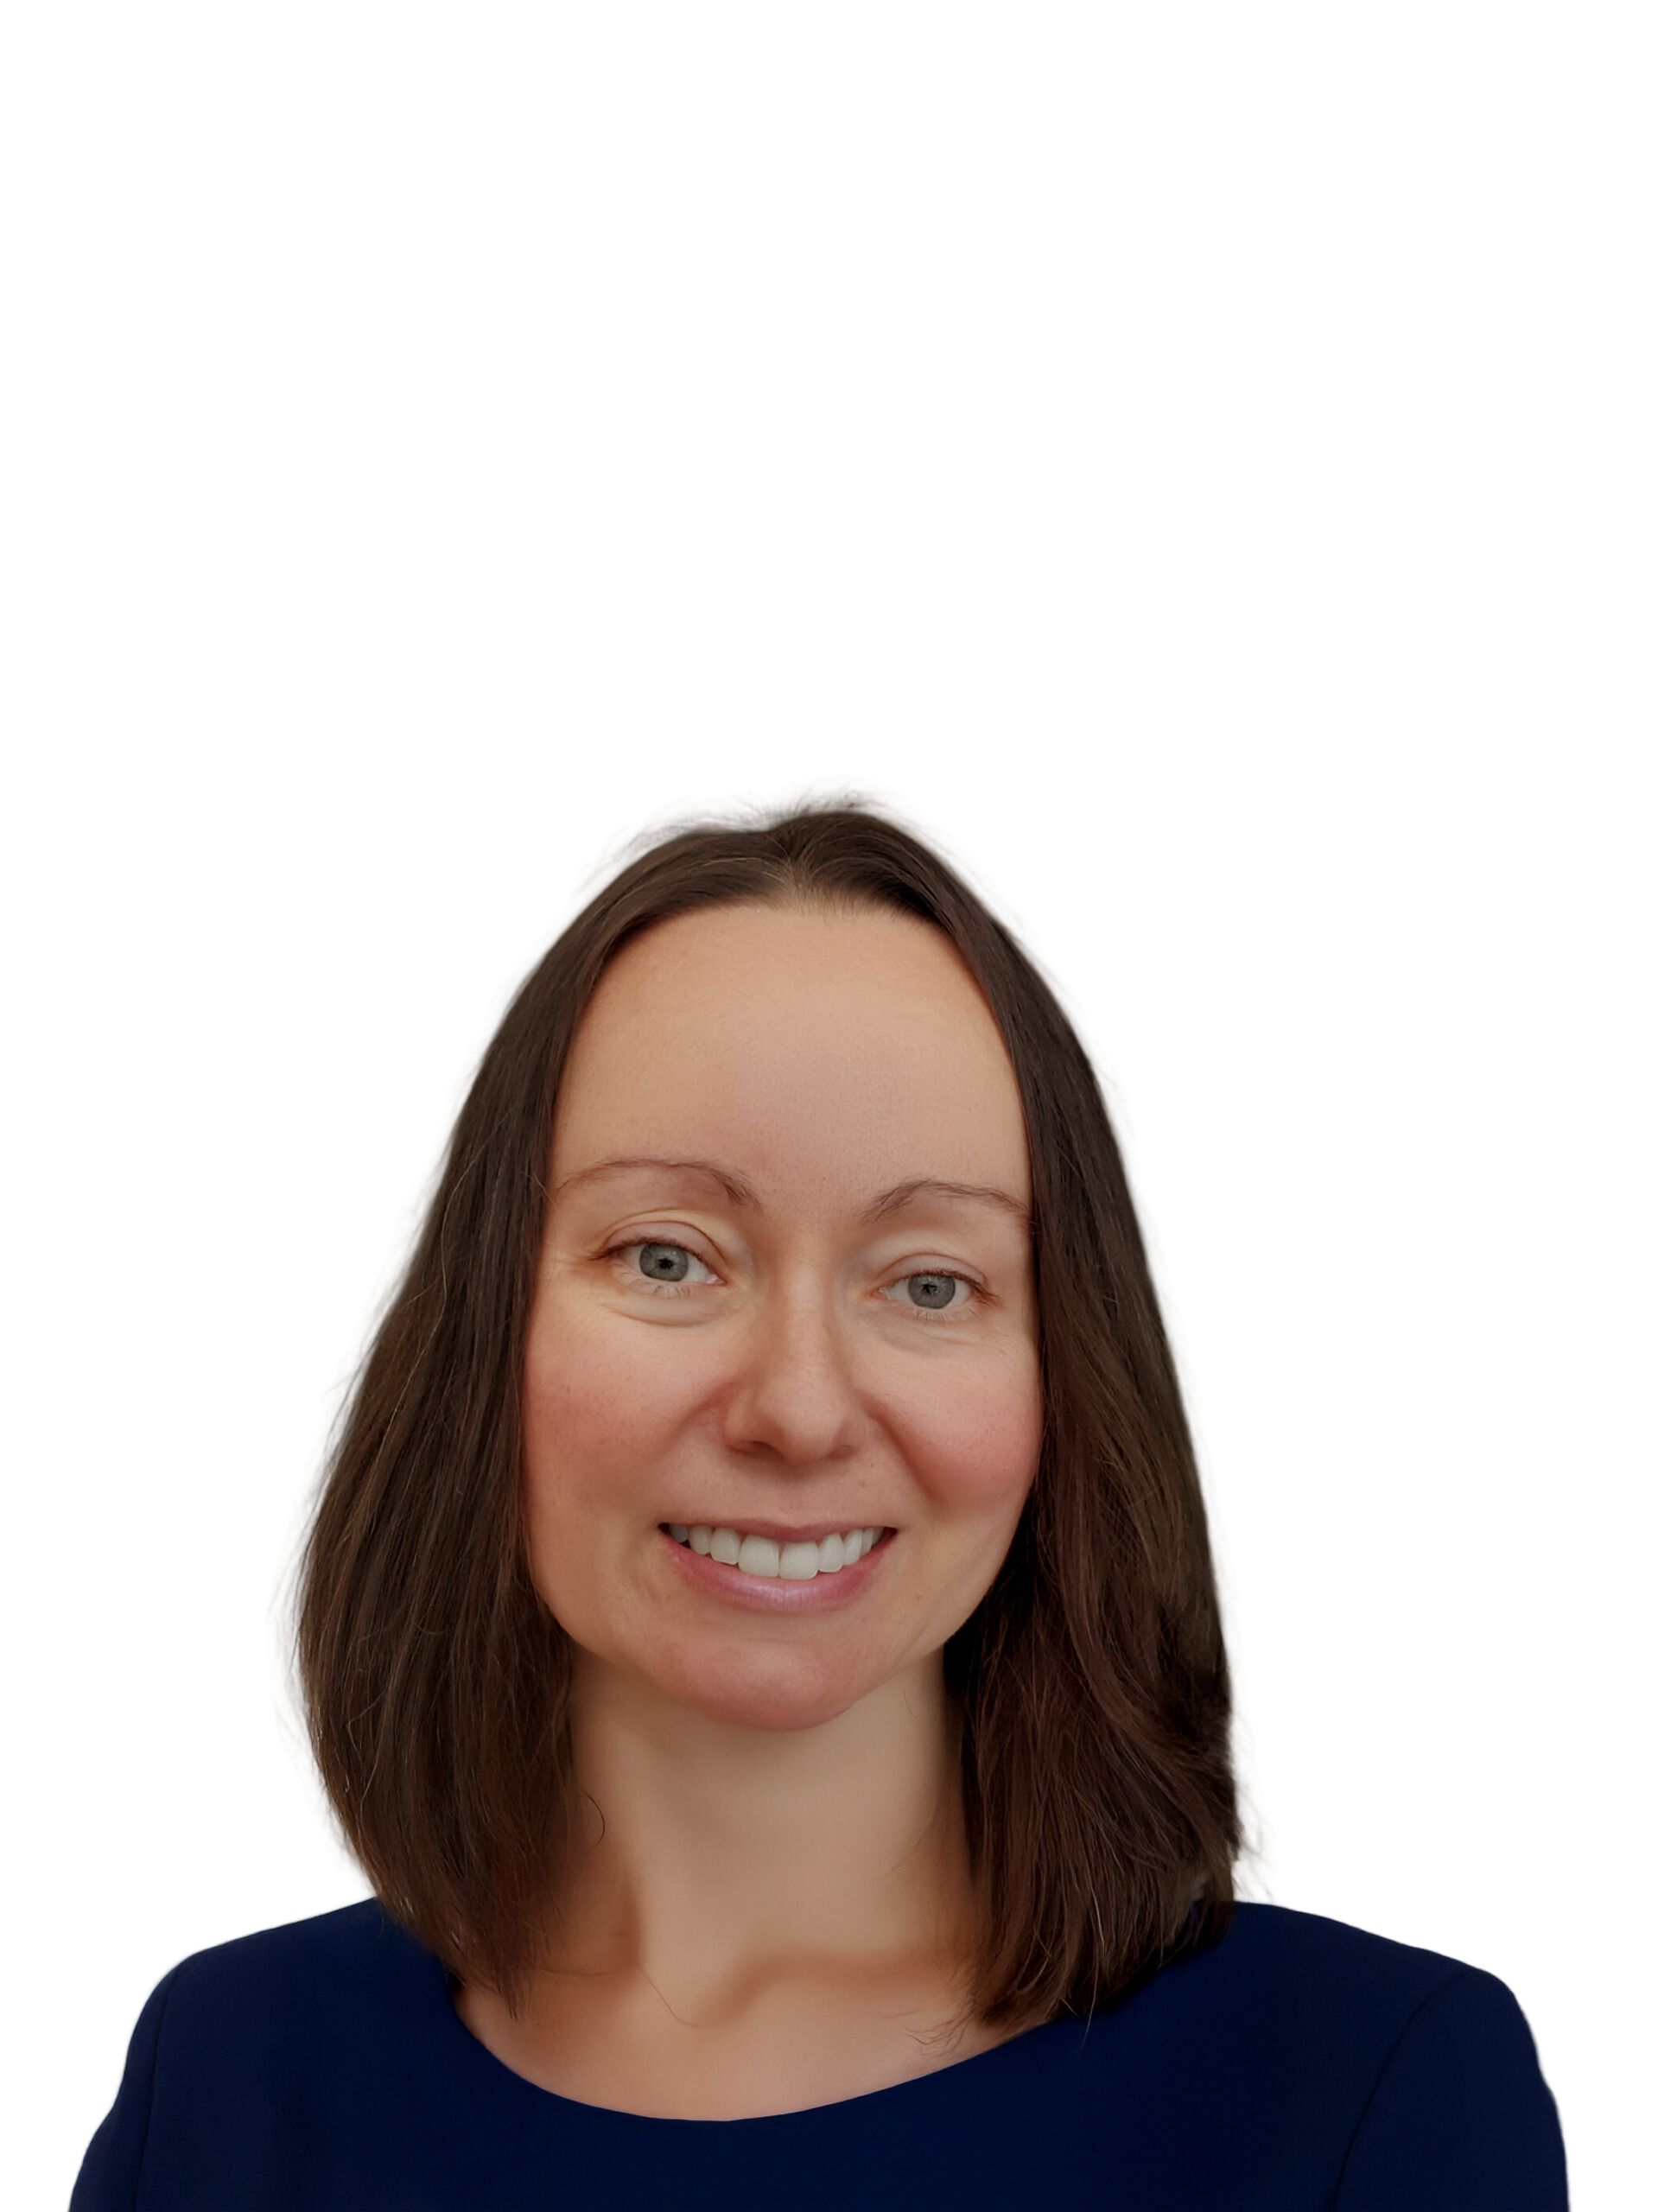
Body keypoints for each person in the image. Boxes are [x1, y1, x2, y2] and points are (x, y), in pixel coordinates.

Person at [73, 804, 1567, 2209]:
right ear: (483, 1336)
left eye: (930, 1283)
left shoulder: (1371, 2093)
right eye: (667, 1257)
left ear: (1068, 1380)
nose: (796, 1408)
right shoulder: (225, 2075)